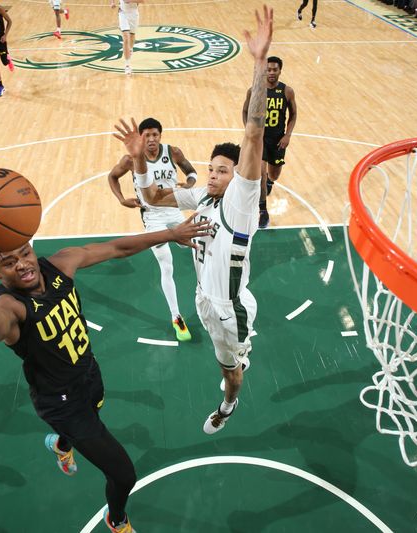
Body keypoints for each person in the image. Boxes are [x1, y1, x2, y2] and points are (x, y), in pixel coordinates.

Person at [0, 212, 210, 533]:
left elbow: (117, 248)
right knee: (124, 474)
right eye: (8, 263)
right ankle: (116, 519)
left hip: (88, 374)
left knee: (97, 407)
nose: (22, 264)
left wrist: (170, 234)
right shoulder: (11, 307)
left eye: (25, 253)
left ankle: (61, 445)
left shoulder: (59, 265)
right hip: (61, 404)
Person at [113, 4, 274, 435]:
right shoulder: (202, 194)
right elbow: (150, 196)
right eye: (213, 168)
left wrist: (258, 65)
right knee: (220, 359)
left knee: (232, 374)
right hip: (203, 296)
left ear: (238, 175)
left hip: (230, 308)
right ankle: (231, 370)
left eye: (224, 170)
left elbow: (254, 132)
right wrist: (136, 161)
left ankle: (229, 403)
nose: (215, 174)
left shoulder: (241, 200)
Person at [107, 117, 199, 341]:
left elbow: (191, 172)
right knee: (166, 265)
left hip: (174, 210)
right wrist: (121, 199)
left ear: (160, 135)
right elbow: (112, 177)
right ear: (140, 137)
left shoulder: (173, 152)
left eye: (154, 134)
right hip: (152, 218)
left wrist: (188, 185)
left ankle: (208, 295)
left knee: (200, 246)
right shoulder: (131, 159)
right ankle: (176, 317)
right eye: (146, 135)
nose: (151, 139)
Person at [241, 55, 297, 229]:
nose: (271, 72)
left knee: (273, 175)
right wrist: (250, 132)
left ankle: (270, 182)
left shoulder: (287, 91)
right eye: (268, 69)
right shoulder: (254, 91)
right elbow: (244, 111)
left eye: (274, 69)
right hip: (261, 139)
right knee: (262, 173)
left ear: (280, 71)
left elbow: (293, 114)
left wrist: (287, 135)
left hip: (278, 139)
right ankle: (263, 211)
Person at [110, 0, 142, 75]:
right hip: (123, 13)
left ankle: (130, 49)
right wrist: (112, 2)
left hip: (134, 14)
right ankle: (127, 65)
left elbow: (142, 1)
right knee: (126, 38)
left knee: (132, 35)